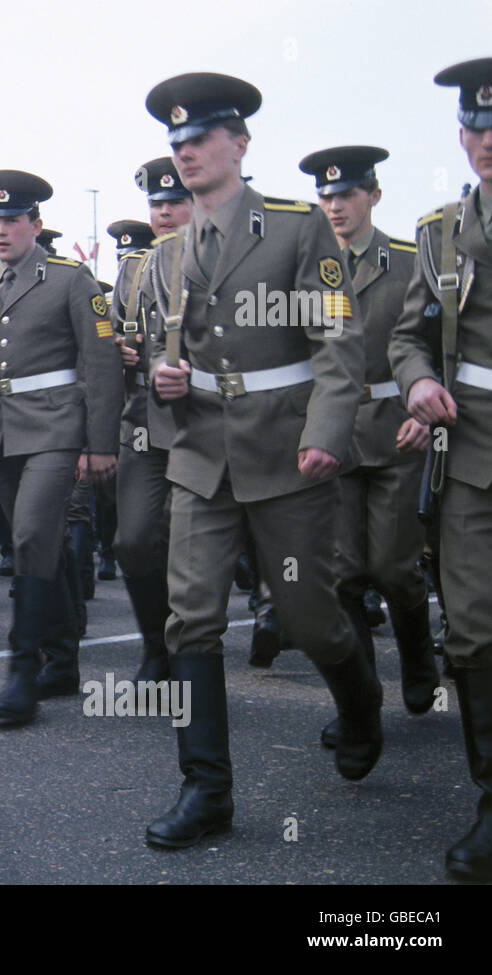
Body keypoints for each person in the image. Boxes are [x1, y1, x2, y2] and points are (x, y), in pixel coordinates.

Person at [143, 73, 380, 849]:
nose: (185, 153)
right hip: (202, 451)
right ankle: (204, 788)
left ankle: (360, 702)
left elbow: (337, 338)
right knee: (190, 617)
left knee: (311, 618)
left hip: (286, 450)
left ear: (239, 143)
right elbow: (166, 350)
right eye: (176, 143)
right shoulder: (169, 253)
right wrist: (164, 378)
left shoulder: (295, 227)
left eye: (199, 139)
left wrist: (328, 428)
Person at [389, 56, 492, 882]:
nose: (489, 141)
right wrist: (419, 379)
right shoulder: (439, 234)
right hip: (475, 450)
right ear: (462, 137)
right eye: (479, 127)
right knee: (475, 628)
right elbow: (407, 335)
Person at [296, 145, 437, 748]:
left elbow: (434, 343)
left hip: (397, 431)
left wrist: (426, 410)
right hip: (331, 437)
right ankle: (362, 704)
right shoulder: (302, 270)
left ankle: (420, 659)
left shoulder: (406, 261)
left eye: (347, 194)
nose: (335, 206)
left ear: (373, 196)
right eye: (326, 196)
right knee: (343, 575)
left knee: (394, 569)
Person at [0, 170, 122, 725]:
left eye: (12, 220)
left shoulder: (69, 278)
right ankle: (61, 662)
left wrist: (100, 443)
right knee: (43, 545)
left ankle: (22, 669)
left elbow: (101, 363)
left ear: (36, 225)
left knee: (32, 537)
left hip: (56, 427)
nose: (1, 230)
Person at [111, 158, 192, 683]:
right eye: (156, 205)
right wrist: (120, 350)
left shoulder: (221, 258)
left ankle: (193, 646)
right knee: (133, 540)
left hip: (204, 419)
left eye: (175, 202)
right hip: (143, 418)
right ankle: (157, 643)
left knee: (195, 546)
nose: (163, 213)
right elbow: (115, 333)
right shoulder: (134, 269)